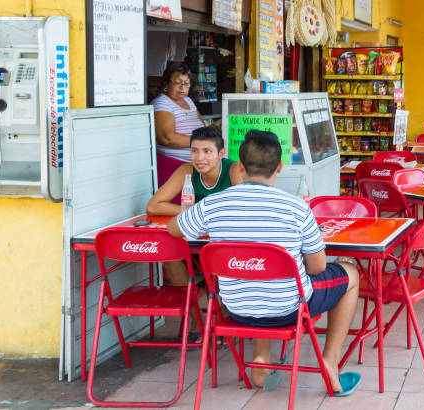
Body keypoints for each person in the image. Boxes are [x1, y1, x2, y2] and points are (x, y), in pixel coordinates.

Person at [167, 130, 360, 394]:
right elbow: (318, 268)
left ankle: (260, 361)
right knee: (350, 273)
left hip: (234, 309)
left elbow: (174, 229)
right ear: (279, 167)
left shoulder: (213, 204)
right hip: (290, 309)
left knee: (254, 277)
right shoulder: (297, 208)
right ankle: (330, 361)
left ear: (240, 167)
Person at [147, 126, 242, 340]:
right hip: (196, 246)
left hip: (226, 247)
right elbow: (153, 206)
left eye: (207, 151)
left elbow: (243, 207)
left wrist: (198, 213)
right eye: (194, 151)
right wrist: (192, 212)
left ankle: (227, 317)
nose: (200, 158)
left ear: (221, 153)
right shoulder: (187, 171)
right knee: (171, 254)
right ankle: (195, 318)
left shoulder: (234, 170)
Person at [151, 63, 205, 196]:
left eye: (186, 83)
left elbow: (203, 128)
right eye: (177, 83)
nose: (182, 87)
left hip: (195, 167)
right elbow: (167, 138)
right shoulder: (162, 103)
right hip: (173, 168)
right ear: (166, 83)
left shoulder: (189, 102)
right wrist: (202, 143)